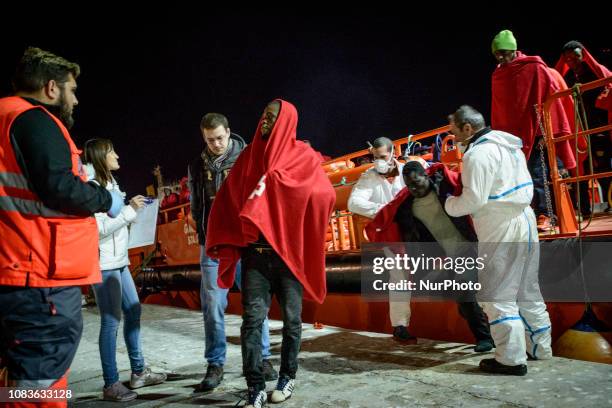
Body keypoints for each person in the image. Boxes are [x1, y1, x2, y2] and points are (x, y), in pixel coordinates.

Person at [0, 47, 122, 408]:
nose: (76, 99)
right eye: (72, 89)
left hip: (12, 273)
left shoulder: (4, 119)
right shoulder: (34, 120)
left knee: (16, 378)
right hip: (39, 281)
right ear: (51, 88)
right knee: (42, 385)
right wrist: (104, 199)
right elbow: (58, 186)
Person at [206, 100, 335, 407]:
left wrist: (283, 186)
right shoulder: (250, 156)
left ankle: (287, 378)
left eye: (272, 117)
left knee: (292, 321)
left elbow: (324, 194)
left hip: (288, 257)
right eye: (264, 115)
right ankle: (255, 387)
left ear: (287, 121)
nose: (265, 121)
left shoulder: (302, 155)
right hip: (255, 255)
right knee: (251, 321)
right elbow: (230, 197)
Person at [445, 105, 552, 376]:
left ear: (468, 128)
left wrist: (448, 204)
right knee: (528, 288)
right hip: (525, 218)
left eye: (454, 130)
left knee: (497, 293)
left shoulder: (477, 154)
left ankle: (510, 358)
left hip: (498, 225)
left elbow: (473, 200)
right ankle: (540, 347)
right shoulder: (509, 145)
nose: (452, 135)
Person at [187, 113, 276, 392]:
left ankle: (262, 358)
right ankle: (215, 364)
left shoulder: (250, 157)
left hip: (246, 240)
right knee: (213, 305)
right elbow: (197, 204)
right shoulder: (197, 165)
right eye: (210, 140)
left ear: (228, 132)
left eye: (220, 138)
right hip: (214, 243)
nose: (215, 144)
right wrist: (203, 235)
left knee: (255, 302)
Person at [366, 161, 494, 352]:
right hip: (447, 258)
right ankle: (472, 317)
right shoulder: (407, 207)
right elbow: (392, 224)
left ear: (426, 177)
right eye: (409, 185)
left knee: (465, 291)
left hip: (470, 248)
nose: (414, 189)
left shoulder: (446, 189)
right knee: (462, 295)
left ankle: (485, 338)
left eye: (417, 183)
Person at [83, 139, 167, 401]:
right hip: (104, 264)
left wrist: (133, 208)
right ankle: (110, 384)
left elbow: (115, 221)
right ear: (100, 157)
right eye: (111, 152)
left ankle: (139, 372)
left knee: (133, 309)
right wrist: (130, 211)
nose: (117, 155)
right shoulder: (92, 188)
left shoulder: (111, 185)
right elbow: (98, 230)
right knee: (110, 321)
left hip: (119, 261)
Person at [490, 29, 575, 231]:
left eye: (503, 52)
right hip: (512, 137)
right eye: (496, 54)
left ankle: (546, 215)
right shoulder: (499, 74)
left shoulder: (534, 67)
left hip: (537, 132)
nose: (500, 57)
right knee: (521, 177)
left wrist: (548, 131)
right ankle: (530, 214)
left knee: (539, 174)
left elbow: (551, 100)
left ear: (513, 49)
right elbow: (500, 107)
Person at [347, 137, 414, 341]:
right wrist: (387, 211)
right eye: (375, 157)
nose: (379, 162)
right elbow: (353, 203)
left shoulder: (409, 171)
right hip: (391, 232)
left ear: (393, 153)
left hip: (417, 229)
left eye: (382, 157)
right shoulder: (370, 176)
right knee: (399, 276)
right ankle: (400, 325)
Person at [556, 41, 612, 214]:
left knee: (604, 168)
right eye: (568, 59)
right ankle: (584, 209)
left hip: (598, 128)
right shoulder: (567, 79)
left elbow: (607, 89)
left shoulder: (596, 74)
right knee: (579, 171)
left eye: (576, 57)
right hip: (577, 131)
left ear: (584, 56)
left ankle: (611, 204)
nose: (573, 61)